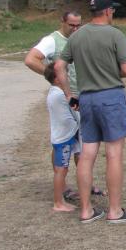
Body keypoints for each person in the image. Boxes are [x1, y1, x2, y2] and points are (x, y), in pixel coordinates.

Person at [54, 0, 126, 224]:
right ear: (108, 11)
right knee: (114, 153)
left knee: (87, 154)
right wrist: (113, 69)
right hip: (110, 96)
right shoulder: (114, 35)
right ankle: (114, 211)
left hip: (86, 99)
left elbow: (59, 65)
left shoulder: (77, 36)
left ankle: (86, 210)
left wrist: (68, 94)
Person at [24, 11, 103, 198]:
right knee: (63, 140)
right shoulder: (52, 40)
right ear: (62, 22)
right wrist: (53, 76)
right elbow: (30, 59)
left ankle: (85, 183)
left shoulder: (80, 39)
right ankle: (63, 185)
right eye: (71, 25)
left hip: (82, 95)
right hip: (64, 98)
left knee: (83, 142)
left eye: (78, 25)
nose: (75, 28)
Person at [43, 62, 80, 212]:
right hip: (63, 139)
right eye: (64, 74)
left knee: (62, 169)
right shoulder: (60, 95)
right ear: (57, 78)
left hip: (63, 136)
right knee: (61, 170)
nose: (67, 77)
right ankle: (58, 202)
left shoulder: (54, 92)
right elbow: (71, 115)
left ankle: (60, 200)